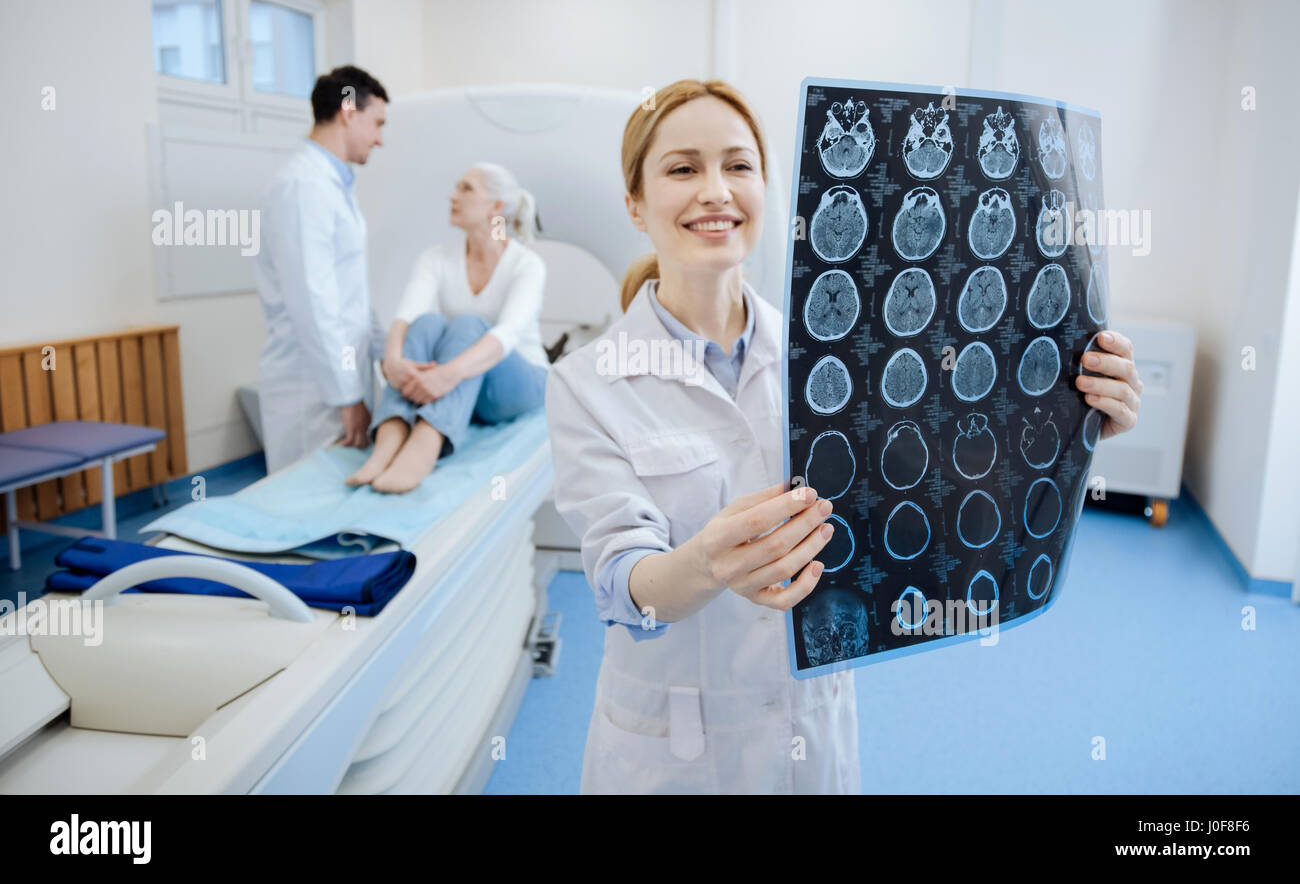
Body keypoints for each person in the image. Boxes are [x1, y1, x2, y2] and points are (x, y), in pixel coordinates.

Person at [544, 79, 1145, 794]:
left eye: (738, 166)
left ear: (769, 190)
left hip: (809, 725)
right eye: (682, 168)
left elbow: (939, 478)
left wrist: (1066, 425)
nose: (715, 190)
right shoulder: (587, 381)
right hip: (672, 748)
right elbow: (625, 590)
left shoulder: (843, 351)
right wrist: (707, 564)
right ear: (635, 206)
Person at [345, 163, 549, 493]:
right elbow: (407, 315)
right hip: (466, 385)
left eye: (466, 189)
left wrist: (446, 375)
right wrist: (393, 361)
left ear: (496, 206)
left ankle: (426, 441)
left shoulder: (526, 265)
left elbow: (506, 334)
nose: (452, 196)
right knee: (428, 323)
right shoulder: (435, 258)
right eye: (455, 188)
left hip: (520, 384)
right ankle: (391, 434)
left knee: (469, 324)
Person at [255, 65, 389, 474]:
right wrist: (346, 396)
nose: (380, 138)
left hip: (336, 378)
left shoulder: (333, 186)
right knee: (304, 505)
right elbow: (312, 301)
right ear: (349, 111)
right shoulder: (304, 186)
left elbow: (350, 293)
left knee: (333, 503)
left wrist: (390, 353)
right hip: (311, 390)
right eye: (377, 123)